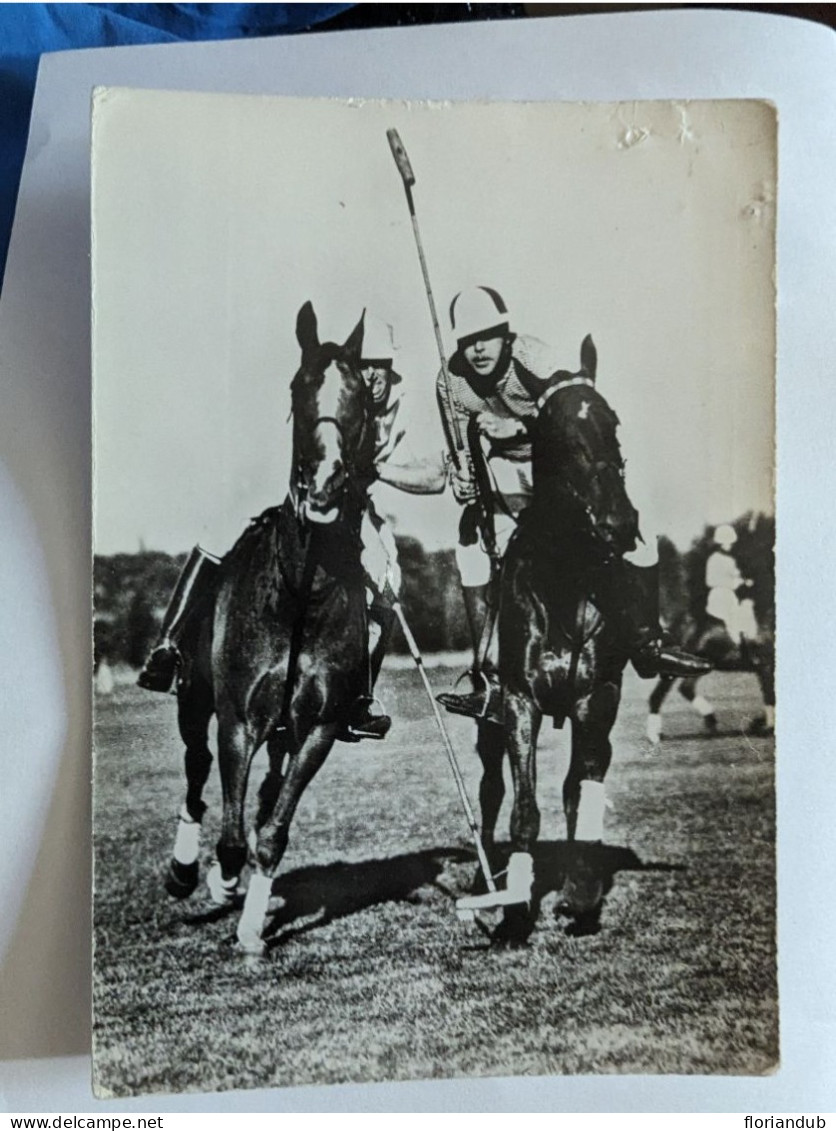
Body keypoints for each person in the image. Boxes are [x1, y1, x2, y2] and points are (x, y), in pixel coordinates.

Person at [138, 312, 446, 741]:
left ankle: (361, 698)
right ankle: (167, 645)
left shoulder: (401, 402)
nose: (374, 376)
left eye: (383, 367)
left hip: (354, 503)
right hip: (291, 482)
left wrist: (374, 468)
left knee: (389, 577)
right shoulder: (331, 383)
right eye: (366, 365)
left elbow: (436, 477)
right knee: (219, 530)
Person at [434, 285, 710, 721]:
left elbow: (573, 421)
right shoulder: (451, 383)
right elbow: (460, 451)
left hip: (562, 465)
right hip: (503, 471)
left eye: (487, 335)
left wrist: (517, 425)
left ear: (507, 334)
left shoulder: (537, 360)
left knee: (637, 527)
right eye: (468, 341)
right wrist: (464, 479)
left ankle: (649, 641)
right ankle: (485, 672)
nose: (478, 348)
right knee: (471, 544)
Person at [705, 524, 758, 644]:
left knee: (746, 608)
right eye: (727, 542)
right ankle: (738, 645)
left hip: (730, 596)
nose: (730, 545)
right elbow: (710, 581)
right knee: (733, 619)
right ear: (721, 543)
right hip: (719, 596)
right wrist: (734, 582)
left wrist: (744, 581)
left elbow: (735, 576)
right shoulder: (714, 559)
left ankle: (748, 643)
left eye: (730, 543)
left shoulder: (731, 560)